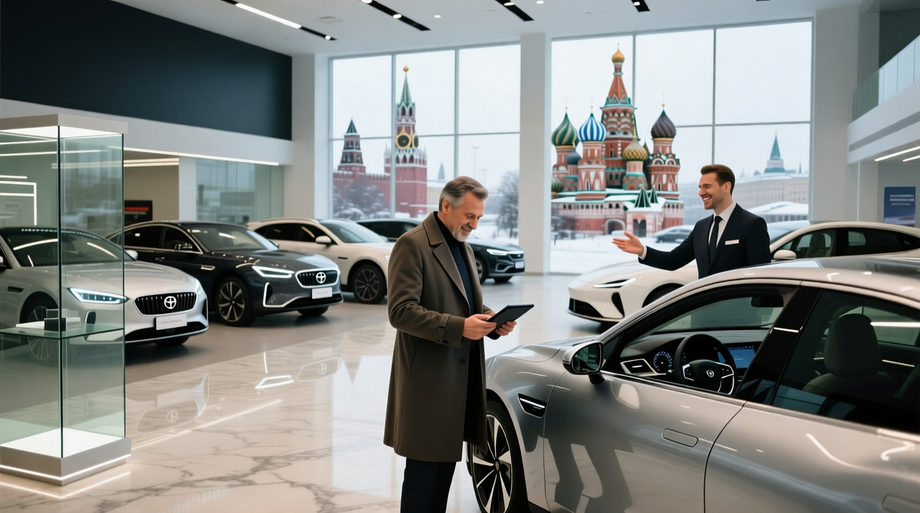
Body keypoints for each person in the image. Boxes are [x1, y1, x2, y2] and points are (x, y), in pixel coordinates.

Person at [384, 176, 517, 513]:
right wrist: (460, 328)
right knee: (423, 480)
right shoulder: (412, 245)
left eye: (479, 217)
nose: (474, 225)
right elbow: (401, 312)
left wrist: (491, 321)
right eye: (469, 216)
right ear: (446, 205)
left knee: (441, 478)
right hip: (428, 384)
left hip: (456, 382)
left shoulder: (463, 246)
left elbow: (464, 303)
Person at [612, 164, 770, 279]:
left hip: (739, 312)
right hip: (704, 311)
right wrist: (642, 251)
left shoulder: (752, 224)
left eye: (706, 186)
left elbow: (761, 275)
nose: (700, 192)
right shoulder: (701, 227)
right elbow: (673, 260)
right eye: (700, 187)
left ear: (726, 187)